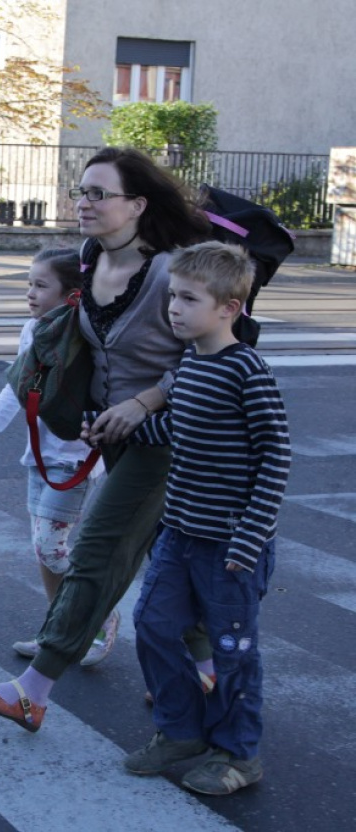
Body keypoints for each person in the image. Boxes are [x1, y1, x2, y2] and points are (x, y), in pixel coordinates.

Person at [0, 147, 212, 733]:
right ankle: (208, 669)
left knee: (96, 551)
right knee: (163, 557)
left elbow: (215, 352)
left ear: (138, 205)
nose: (85, 202)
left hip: (165, 438)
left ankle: (33, 691)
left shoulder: (172, 271)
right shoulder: (90, 257)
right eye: (81, 191)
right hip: (111, 436)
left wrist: (145, 399)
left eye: (100, 193)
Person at [114, 241, 290, 795]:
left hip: (230, 545)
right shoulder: (189, 364)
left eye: (188, 298)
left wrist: (251, 535)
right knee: (153, 625)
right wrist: (118, 427)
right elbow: (179, 431)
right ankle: (181, 731)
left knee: (234, 651)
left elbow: (276, 455)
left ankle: (240, 755)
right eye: (172, 296)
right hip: (180, 532)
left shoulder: (246, 370)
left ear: (228, 309)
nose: (174, 308)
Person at [0, 248, 107, 659]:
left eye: (41, 286)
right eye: (29, 284)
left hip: (74, 458)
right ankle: (59, 628)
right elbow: (17, 385)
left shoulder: (89, 334)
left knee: (50, 547)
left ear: (72, 293)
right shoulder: (33, 330)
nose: (31, 294)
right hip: (39, 457)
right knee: (44, 549)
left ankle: (95, 620)